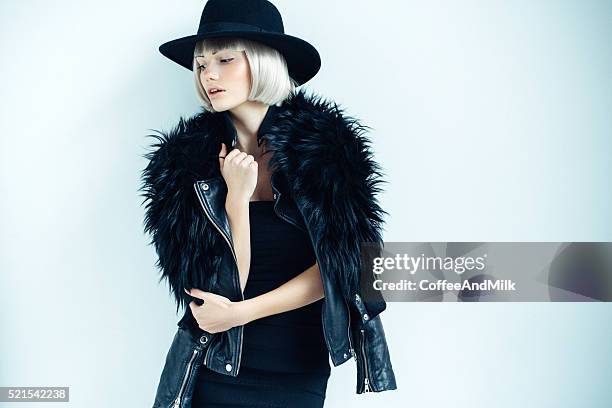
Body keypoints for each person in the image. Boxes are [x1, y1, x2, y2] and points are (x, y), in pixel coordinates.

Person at [141, 1, 397, 407]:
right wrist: (237, 201)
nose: (209, 74)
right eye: (201, 64)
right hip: (216, 368)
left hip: (298, 369)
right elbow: (219, 290)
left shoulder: (326, 151)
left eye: (225, 59)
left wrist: (244, 313)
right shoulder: (183, 166)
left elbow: (344, 266)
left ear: (263, 63)